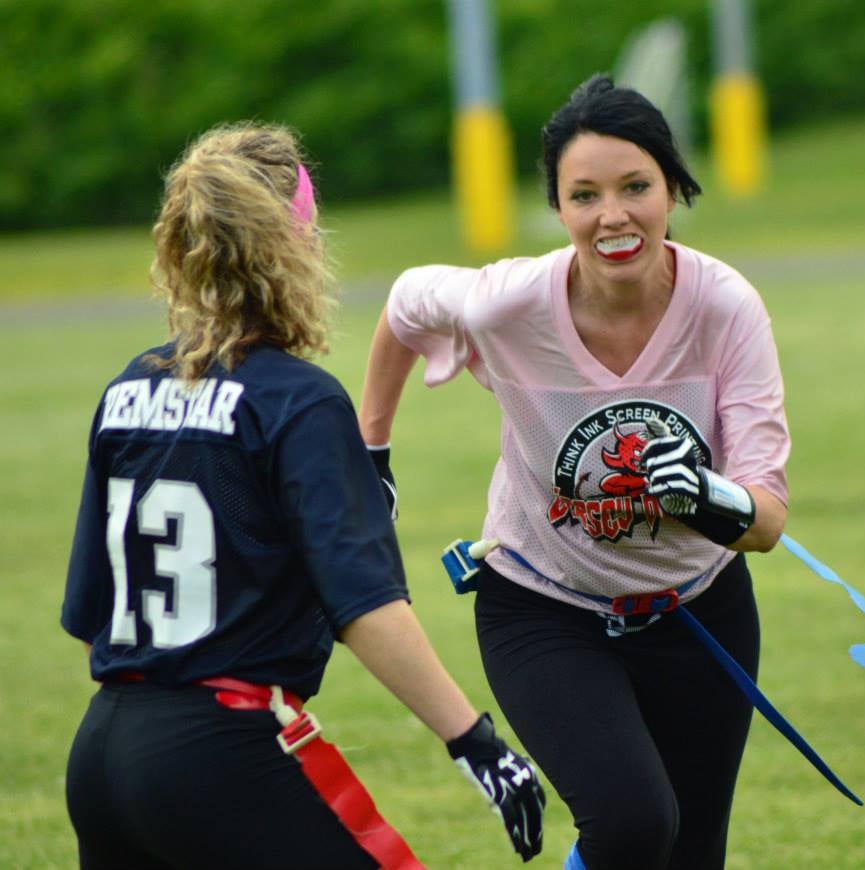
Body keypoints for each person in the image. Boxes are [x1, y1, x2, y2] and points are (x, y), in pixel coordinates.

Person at [61, 121, 545, 870]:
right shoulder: (299, 400)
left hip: (101, 752)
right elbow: (367, 609)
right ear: (291, 247)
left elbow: (91, 609)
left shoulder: (127, 388)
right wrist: (472, 740)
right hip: (223, 746)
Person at [359, 75, 790, 870]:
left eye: (636, 187)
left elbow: (765, 521)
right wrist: (372, 452)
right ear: (557, 209)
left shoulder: (727, 308)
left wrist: (707, 493)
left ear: (672, 188)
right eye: (583, 194)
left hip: (700, 607)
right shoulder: (508, 302)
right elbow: (405, 304)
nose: (613, 215)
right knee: (630, 828)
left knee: (690, 854)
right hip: (543, 607)